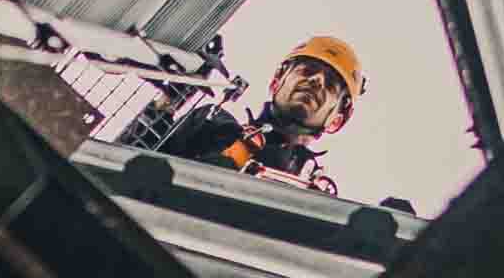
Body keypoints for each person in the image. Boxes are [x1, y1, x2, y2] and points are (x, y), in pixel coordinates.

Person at [131, 31, 363, 190]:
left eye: (331, 85)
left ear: (336, 121)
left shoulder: (309, 197)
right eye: (307, 69)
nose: (317, 81)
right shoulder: (211, 123)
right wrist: (168, 100)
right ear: (276, 81)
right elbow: (125, 162)